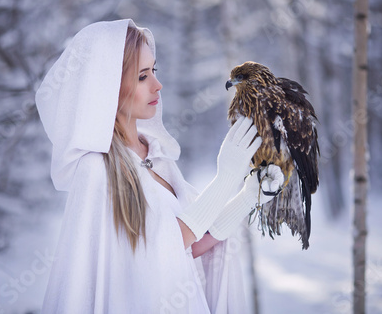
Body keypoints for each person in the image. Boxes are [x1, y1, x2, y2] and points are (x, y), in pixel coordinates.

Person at [35, 19, 284, 313]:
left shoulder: (155, 155)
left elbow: (187, 246)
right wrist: (224, 180)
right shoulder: (97, 170)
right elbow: (159, 251)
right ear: (107, 87)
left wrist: (245, 197)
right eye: (142, 76)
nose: (157, 84)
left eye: (154, 70)